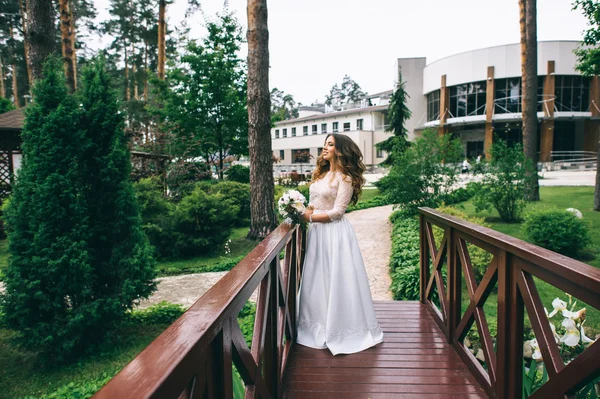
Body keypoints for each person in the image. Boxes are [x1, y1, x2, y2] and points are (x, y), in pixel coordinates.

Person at [298, 133, 384, 355]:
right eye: (325, 144)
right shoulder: (321, 175)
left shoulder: (344, 178)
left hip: (334, 234)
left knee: (337, 279)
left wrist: (307, 218)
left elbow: (337, 213)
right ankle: (316, 324)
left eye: (330, 144)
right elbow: (313, 204)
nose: (324, 147)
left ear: (340, 150)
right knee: (317, 279)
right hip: (317, 234)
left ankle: (342, 328)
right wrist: (298, 210)